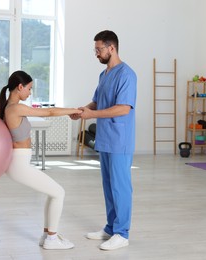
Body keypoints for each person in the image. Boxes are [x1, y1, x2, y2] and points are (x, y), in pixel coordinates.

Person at [0, 70, 81, 250]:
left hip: (20, 163)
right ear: (20, 87)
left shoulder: (12, 107)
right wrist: (75, 110)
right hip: (19, 165)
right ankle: (52, 239)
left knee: (53, 193)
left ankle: (47, 235)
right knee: (59, 192)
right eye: (29, 89)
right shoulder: (14, 108)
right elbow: (49, 112)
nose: (30, 93)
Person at [71, 30, 137, 250]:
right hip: (106, 139)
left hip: (120, 140)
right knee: (108, 187)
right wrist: (82, 110)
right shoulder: (104, 75)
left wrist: (91, 115)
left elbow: (123, 109)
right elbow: (97, 102)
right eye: (95, 50)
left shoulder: (127, 74)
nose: (96, 54)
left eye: (99, 50)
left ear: (112, 48)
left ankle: (122, 233)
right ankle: (111, 227)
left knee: (120, 187)